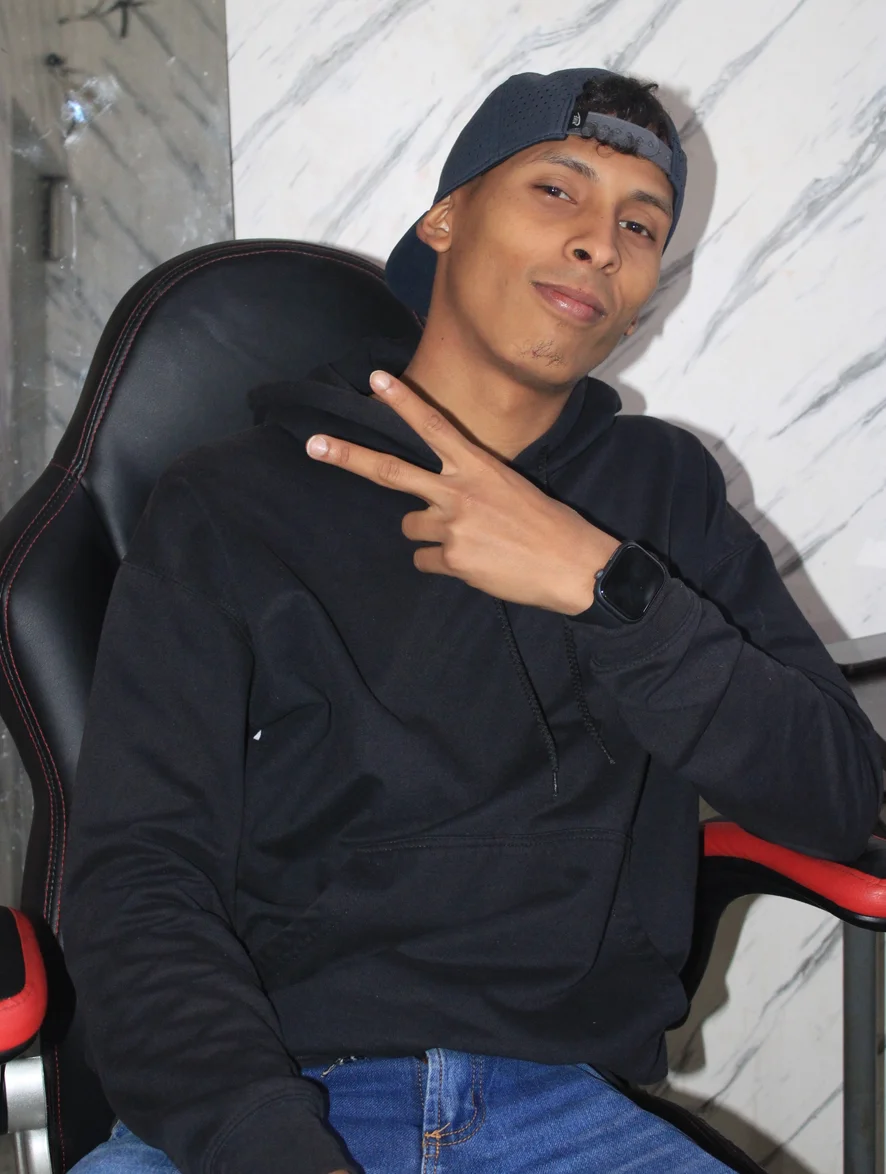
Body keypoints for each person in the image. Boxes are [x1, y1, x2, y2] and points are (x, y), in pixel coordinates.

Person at [63, 68, 882, 1174]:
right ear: (445, 217)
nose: (600, 243)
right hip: (271, 1095)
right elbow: (139, 876)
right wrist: (264, 1143)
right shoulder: (231, 504)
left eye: (641, 225)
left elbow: (839, 799)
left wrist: (604, 585)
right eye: (557, 190)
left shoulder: (661, 493)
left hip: (565, 1110)